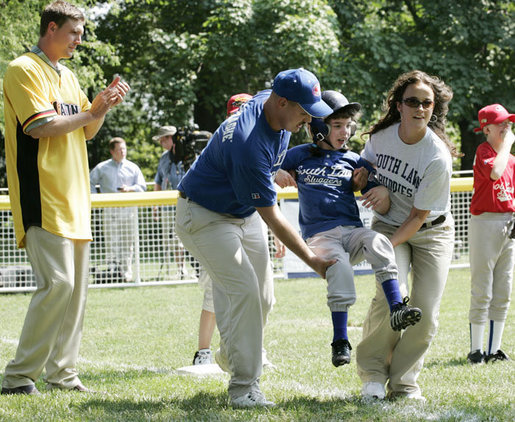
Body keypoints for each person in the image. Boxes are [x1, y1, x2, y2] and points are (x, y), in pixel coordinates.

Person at [176, 68, 335, 408]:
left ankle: (231, 354)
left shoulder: (274, 108)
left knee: (263, 297)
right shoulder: (248, 142)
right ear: (281, 102)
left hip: (240, 211)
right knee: (244, 289)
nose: (308, 119)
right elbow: (273, 215)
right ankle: (243, 387)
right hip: (204, 214)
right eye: (304, 111)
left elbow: (263, 176)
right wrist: (313, 261)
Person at [1, 0, 129, 395]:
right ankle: (18, 377)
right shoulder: (23, 69)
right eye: (74, 32)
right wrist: (91, 114)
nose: (80, 39)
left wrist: (101, 108)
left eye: (82, 32)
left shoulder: (68, 75)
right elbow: (41, 127)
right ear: (51, 28)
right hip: (43, 196)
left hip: (75, 198)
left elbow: (85, 132)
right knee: (58, 284)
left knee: (75, 293)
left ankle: (63, 374)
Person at [281, 90, 422, 369]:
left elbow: (378, 204)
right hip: (321, 236)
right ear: (318, 127)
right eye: (337, 125)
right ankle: (340, 341)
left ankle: (397, 307)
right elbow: (267, 169)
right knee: (340, 268)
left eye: (348, 125)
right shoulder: (299, 155)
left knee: (380, 242)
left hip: (353, 232)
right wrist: (277, 173)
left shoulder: (355, 160)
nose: (345, 131)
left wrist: (377, 189)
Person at [355, 70, 458, 401]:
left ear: (433, 108)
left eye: (427, 103)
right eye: (412, 101)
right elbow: (359, 175)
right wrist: (375, 186)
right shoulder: (381, 137)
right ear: (399, 105)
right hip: (388, 224)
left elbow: (417, 217)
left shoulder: (436, 156)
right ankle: (372, 373)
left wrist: (384, 244)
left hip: (431, 233)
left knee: (425, 311)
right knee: (392, 296)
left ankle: (403, 382)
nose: (420, 108)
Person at [192, 93, 283, 368]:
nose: (239, 115)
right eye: (235, 111)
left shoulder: (263, 139)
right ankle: (206, 351)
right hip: (218, 221)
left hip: (250, 221)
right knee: (220, 293)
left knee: (263, 296)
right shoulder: (228, 142)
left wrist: (276, 234)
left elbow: (267, 196)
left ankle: (250, 349)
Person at [467, 104, 515, 364]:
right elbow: (495, 173)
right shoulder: (483, 151)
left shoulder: (511, 160)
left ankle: (495, 348)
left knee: (503, 288)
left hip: (507, 223)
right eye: (500, 123)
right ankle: (476, 349)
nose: (506, 127)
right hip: (485, 221)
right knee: (482, 287)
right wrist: (509, 144)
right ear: (486, 129)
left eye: (508, 122)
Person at [89, 137, 146, 282]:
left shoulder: (133, 168)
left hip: (128, 210)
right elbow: (89, 182)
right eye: (119, 149)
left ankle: (126, 273)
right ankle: (112, 273)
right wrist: (96, 200)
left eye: (124, 148)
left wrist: (130, 189)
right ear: (112, 151)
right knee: (111, 242)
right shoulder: (102, 167)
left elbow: (142, 187)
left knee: (128, 243)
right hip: (109, 210)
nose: (123, 152)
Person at [152, 125, 191, 279]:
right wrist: (155, 205)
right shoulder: (163, 158)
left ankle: (196, 269)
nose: (161, 142)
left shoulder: (188, 155)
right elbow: (158, 181)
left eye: (163, 139)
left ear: (171, 138)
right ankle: (180, 270)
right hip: (167, 207)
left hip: (187, 203)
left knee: (188, 237)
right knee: (171, 240)